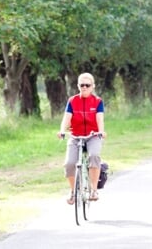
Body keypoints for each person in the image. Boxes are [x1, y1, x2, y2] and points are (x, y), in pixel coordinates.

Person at [57, 72, 106, 204]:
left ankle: (94, 190)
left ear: (93, 86)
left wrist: (101, 131)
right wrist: (62, 130)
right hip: (75, 136)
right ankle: (72, 192)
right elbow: (66, 118)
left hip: (92, 136)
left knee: (94, 156)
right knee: (69, 163)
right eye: (81, 85)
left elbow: (100, 119)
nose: (84, 87)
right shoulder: (72, 101)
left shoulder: (97, 102)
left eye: (87, 85)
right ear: (78, 86)